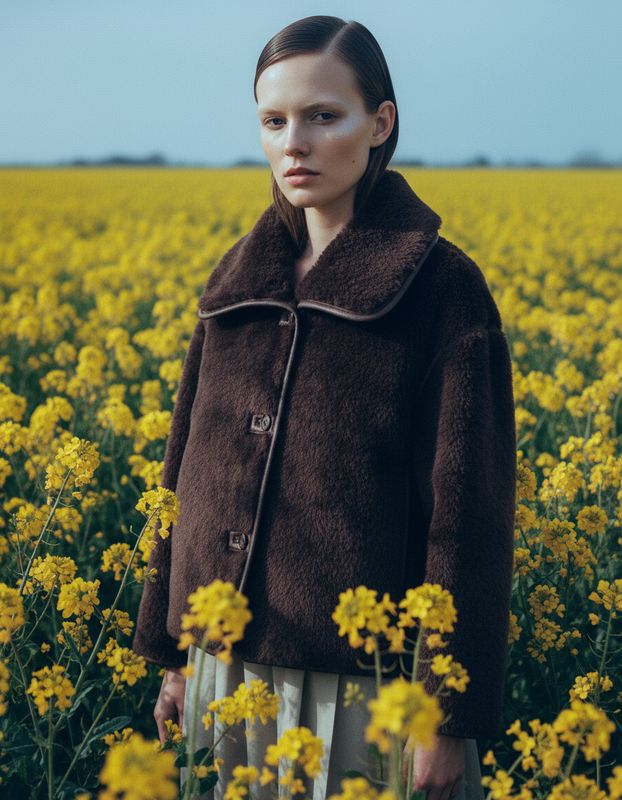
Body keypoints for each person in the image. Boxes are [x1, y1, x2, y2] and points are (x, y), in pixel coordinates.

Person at [132, 15, 517, 800]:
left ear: (381, 123)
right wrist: (174, 654)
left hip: (365, 690)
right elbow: (182, 477)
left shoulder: (443, 290)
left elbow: (467, 522)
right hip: (221, 673)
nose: (294, 144)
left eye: (322, 115)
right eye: (274, 121)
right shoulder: (237, 281)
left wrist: (446, 716)